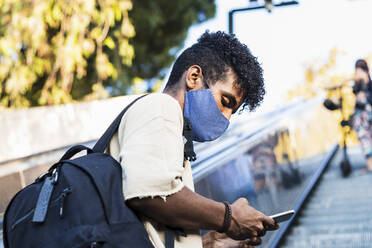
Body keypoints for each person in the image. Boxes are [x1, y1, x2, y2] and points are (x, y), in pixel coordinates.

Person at [107, 31, 278, 248]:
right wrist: (229, 217)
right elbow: (148, 194)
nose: (226, 117)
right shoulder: (161, 107)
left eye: (232, 112)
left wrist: (209, 243)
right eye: (226, 101)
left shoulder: (172, 135)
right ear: (193, 77)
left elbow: (151, 225)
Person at [351, 59, 372, 173]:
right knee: (364, 140)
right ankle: (369, 165)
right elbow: (355, 92)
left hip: (369, 116)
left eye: (360, 70)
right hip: (361, 119)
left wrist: (366, 80)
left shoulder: (370, 84)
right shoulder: (358, 85)